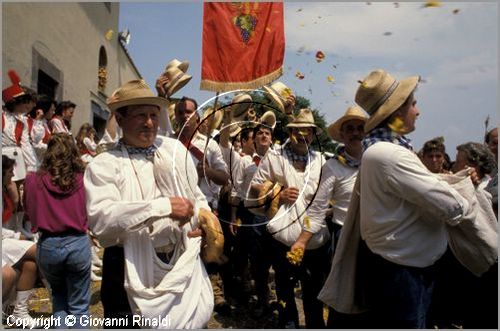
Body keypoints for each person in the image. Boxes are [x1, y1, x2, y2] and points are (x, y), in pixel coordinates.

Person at [345, 69, 481, 328]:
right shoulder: (391, 155)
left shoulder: (384, 150)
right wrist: (462, 190)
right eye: (413, 104)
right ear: (397, 112)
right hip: (403, 274)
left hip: (399, 268)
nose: (417, 111)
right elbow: (453, 207)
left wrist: (451, 181)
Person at [84, 80, 214, 329]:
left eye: (154, 115)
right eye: (140, 115)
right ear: (120, 119)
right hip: (124, 266)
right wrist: (162, 207)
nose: (150, 123)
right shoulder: (105, 164)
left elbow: (196, 197)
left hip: (180, 260)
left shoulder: (174, 151)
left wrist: (200, 220)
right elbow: (102, 220)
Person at [249, 108, 328, 328]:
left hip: (313, 238)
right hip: (282, 239)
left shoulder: (321, 160)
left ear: (313, 135)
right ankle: (288, 323)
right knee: (284, 286)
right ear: (291, 132)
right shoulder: (275, 157)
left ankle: (314, 325)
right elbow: (255, 185)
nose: (303, 135)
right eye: (298, 130)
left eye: (308, 131)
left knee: (313, 289)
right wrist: (278, 192)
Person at [24, 133, 90, 328]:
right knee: (79, 306)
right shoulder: (83, 178)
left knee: (59, 297)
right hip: (77, 242)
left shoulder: (33, 180)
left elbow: (29, 212)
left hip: (49, 244)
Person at [310, 106, 368, 327]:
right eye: (350, 129)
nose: (355, 133)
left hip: (375, 238)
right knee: (343, 297)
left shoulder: (376, 161)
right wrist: (302, 239)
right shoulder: (333, 166)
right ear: (342, 136)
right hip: (344, 237)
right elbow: (317, 207)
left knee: (369, 297)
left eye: (360, 128)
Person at [27, 94, 55, 161]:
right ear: (44, 109)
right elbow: (34, 143)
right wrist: (51, 148)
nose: (53, 112)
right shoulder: (31, 122)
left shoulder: (46, 123)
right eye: (52, 110)